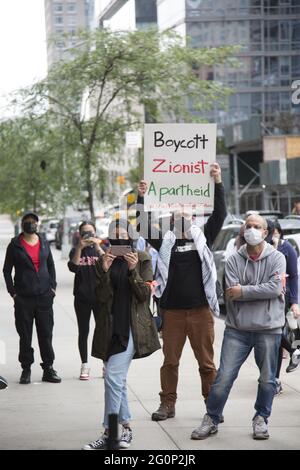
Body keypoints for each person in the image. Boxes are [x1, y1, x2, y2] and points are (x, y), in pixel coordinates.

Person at [136, 163, 227, 421]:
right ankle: (167, 405)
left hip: (200, 312)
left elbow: (220, 213)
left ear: (193, 217)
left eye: (185, 214)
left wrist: (217, 181)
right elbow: (143, 226)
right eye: (176, 216)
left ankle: (212, 407)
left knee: (207, 364)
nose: (180, 218)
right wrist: (141, 196)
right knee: (170, 362)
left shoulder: (204, 237)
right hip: (173, 313)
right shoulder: (165, 242)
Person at [191, 214, 286, 441]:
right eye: (248, 226)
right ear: (243, 231)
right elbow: (231, 293)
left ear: (265, 233)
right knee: (224, 376)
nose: (252, 230)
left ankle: (261, 418)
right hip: (238, 330)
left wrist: (244, 291)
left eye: (257, 226)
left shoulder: (278, 258)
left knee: (267, 379)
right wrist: (250, 291)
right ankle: (211, 418)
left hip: (268, 329)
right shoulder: (233, 259)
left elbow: (273, 289)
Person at [83, 218, 160, 450]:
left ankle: (110, 432)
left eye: (123, 235)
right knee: (118, 381)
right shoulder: (102, 260)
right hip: (109, 328)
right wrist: (104, 270)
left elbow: (144, 295)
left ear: (130, 236)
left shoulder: (143, 258)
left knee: (113, 378)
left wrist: (132, 269)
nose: (119, 239)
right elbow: (101, 297)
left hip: (131, 328)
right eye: (114, 235)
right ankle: (125, 429)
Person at [3, 212, 61, 384]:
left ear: (38, 223)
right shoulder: (15, 244)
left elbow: (50, 265)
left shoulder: (43, 242)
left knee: (46, 334)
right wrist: (13, 292)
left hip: (44, 296)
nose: (31, 224)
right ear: (22, 224)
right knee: (25, 335)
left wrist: (53, 287)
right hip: (23, 298)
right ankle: (26, 369)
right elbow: (6, 270)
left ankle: (48, 368)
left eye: (33, 221)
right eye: (27, 221)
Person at [68, 221, 104, 380]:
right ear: (80, 234)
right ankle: (84, 365)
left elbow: (107, 265)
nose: (88, 235)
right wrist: (80, 247)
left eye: (91, 232)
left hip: (100, 296)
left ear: (96, 232)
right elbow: (74, 267)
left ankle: (106, 364)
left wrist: (97, 246)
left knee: (102, 331)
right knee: (84, 332)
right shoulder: (76, 249)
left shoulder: (101, 248)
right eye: (85, 233)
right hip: (82, 298)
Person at [266, 220, 300, 390]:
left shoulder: (287, 249)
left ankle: (275, 379)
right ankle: (276, 379)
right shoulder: (258, 248)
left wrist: (295, 302)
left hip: (281, 298)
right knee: (274, 338)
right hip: (263, 298)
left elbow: (294, 276)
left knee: (274, 332)